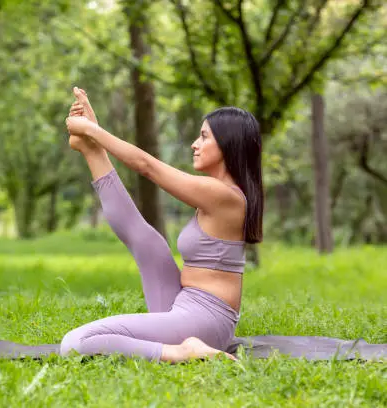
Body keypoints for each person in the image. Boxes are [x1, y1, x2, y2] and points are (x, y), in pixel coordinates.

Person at [60, 87, 263, 363]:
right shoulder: (217, 193)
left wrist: (94, 130)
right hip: (183, 304)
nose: (195, 143)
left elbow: (146, 166)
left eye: (204, 136)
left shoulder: (225, 197)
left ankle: (181, 352)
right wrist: (91, 136)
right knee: (147, 241)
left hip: (205, 321)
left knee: (74, 343)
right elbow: (136, 231)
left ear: (228, 144)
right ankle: (91, 152)